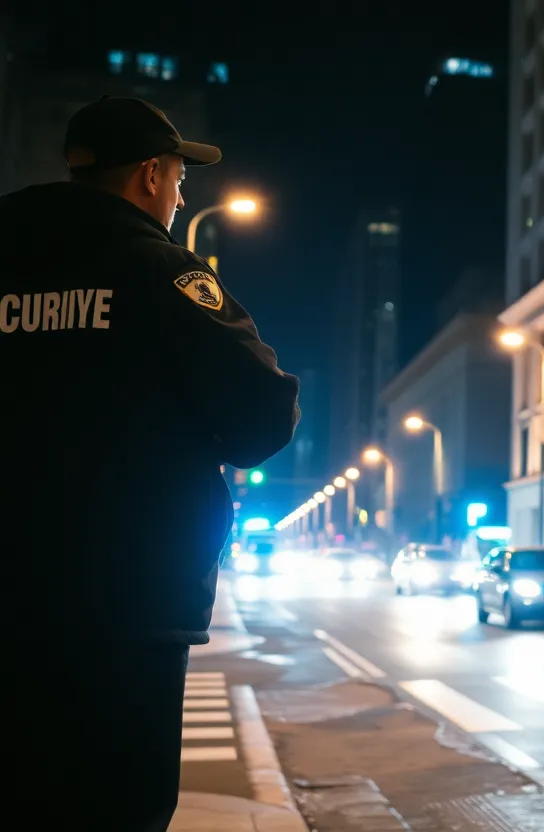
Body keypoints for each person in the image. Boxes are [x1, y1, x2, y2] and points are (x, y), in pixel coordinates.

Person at [0, 97, 300, 831]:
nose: (178, 194)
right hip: (128, 607)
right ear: (147, 177)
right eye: (177, 180)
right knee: (117, 806)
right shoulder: (161, 273)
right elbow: (264, 415)